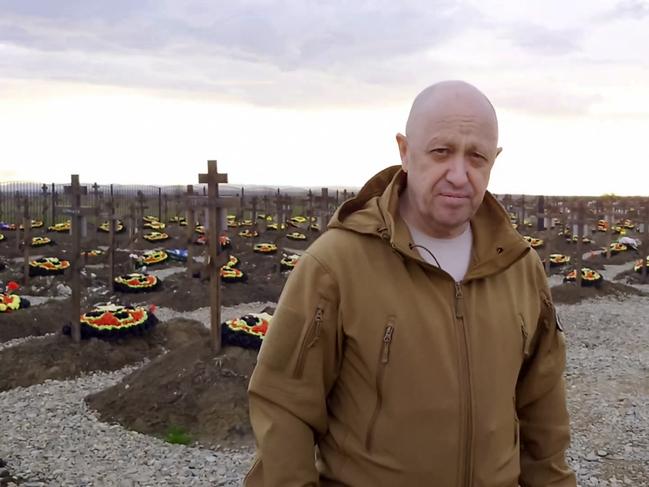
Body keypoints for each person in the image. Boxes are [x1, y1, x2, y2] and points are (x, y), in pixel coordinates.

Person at [245, 80, 576, 486]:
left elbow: (542, 414)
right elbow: (284, 409)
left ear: (495, 159)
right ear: (404, 151)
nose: (459, 174)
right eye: (441, 151)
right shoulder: (335, 265)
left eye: (477, 157)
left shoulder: (520, 267)